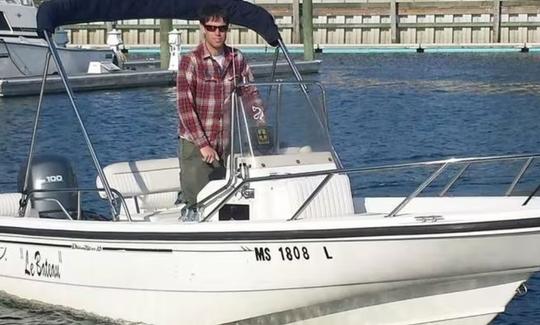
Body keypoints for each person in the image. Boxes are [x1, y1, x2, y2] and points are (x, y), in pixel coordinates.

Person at [176, 4, 263, 213]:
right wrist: (203, 144)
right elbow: (185, 107)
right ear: (203, 28)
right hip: (197, 145)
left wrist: (262, 123)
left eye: (222, 28)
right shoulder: (191, 61)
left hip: (228, 143)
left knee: (230, 202)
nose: (217, 33)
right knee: (197, 204)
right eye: (212, 27)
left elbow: (251, 94)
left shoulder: (237, 58)